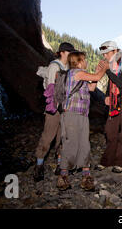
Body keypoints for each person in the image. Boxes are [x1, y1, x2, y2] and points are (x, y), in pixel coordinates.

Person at [56, 51, 105, 191]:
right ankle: (63, 176)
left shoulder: (80, 76)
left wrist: (96, 74)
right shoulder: (76, 73)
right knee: (70, 143)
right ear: (78, 62)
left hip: (82, 114)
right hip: (71, 113)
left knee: (84, 143)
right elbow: (97, 76)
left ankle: (86, 175)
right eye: (84, 59)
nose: (86, 61)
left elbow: (92, 87)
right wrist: (104, 68)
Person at [33, 42, 75, 182]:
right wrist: (54, 107)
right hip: (54, 109)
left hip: (65, 108)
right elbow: (51, 89)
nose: (71, 54)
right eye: (69, 52)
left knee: (62, 138)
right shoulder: (54, 66)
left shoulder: (68, 67)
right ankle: (39, 166)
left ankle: (59, 164)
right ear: (62, 52)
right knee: (47, 137)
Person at [96, 41, 122, 173]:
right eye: (103, 54)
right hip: (115, 100)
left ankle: (121, 162)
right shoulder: (113, 64)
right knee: (110, 130)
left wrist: (107, 70)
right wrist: (107, 95)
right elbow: (112, 82)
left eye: (106, 53)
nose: (105, 56)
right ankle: (108, 160)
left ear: (114, 51)